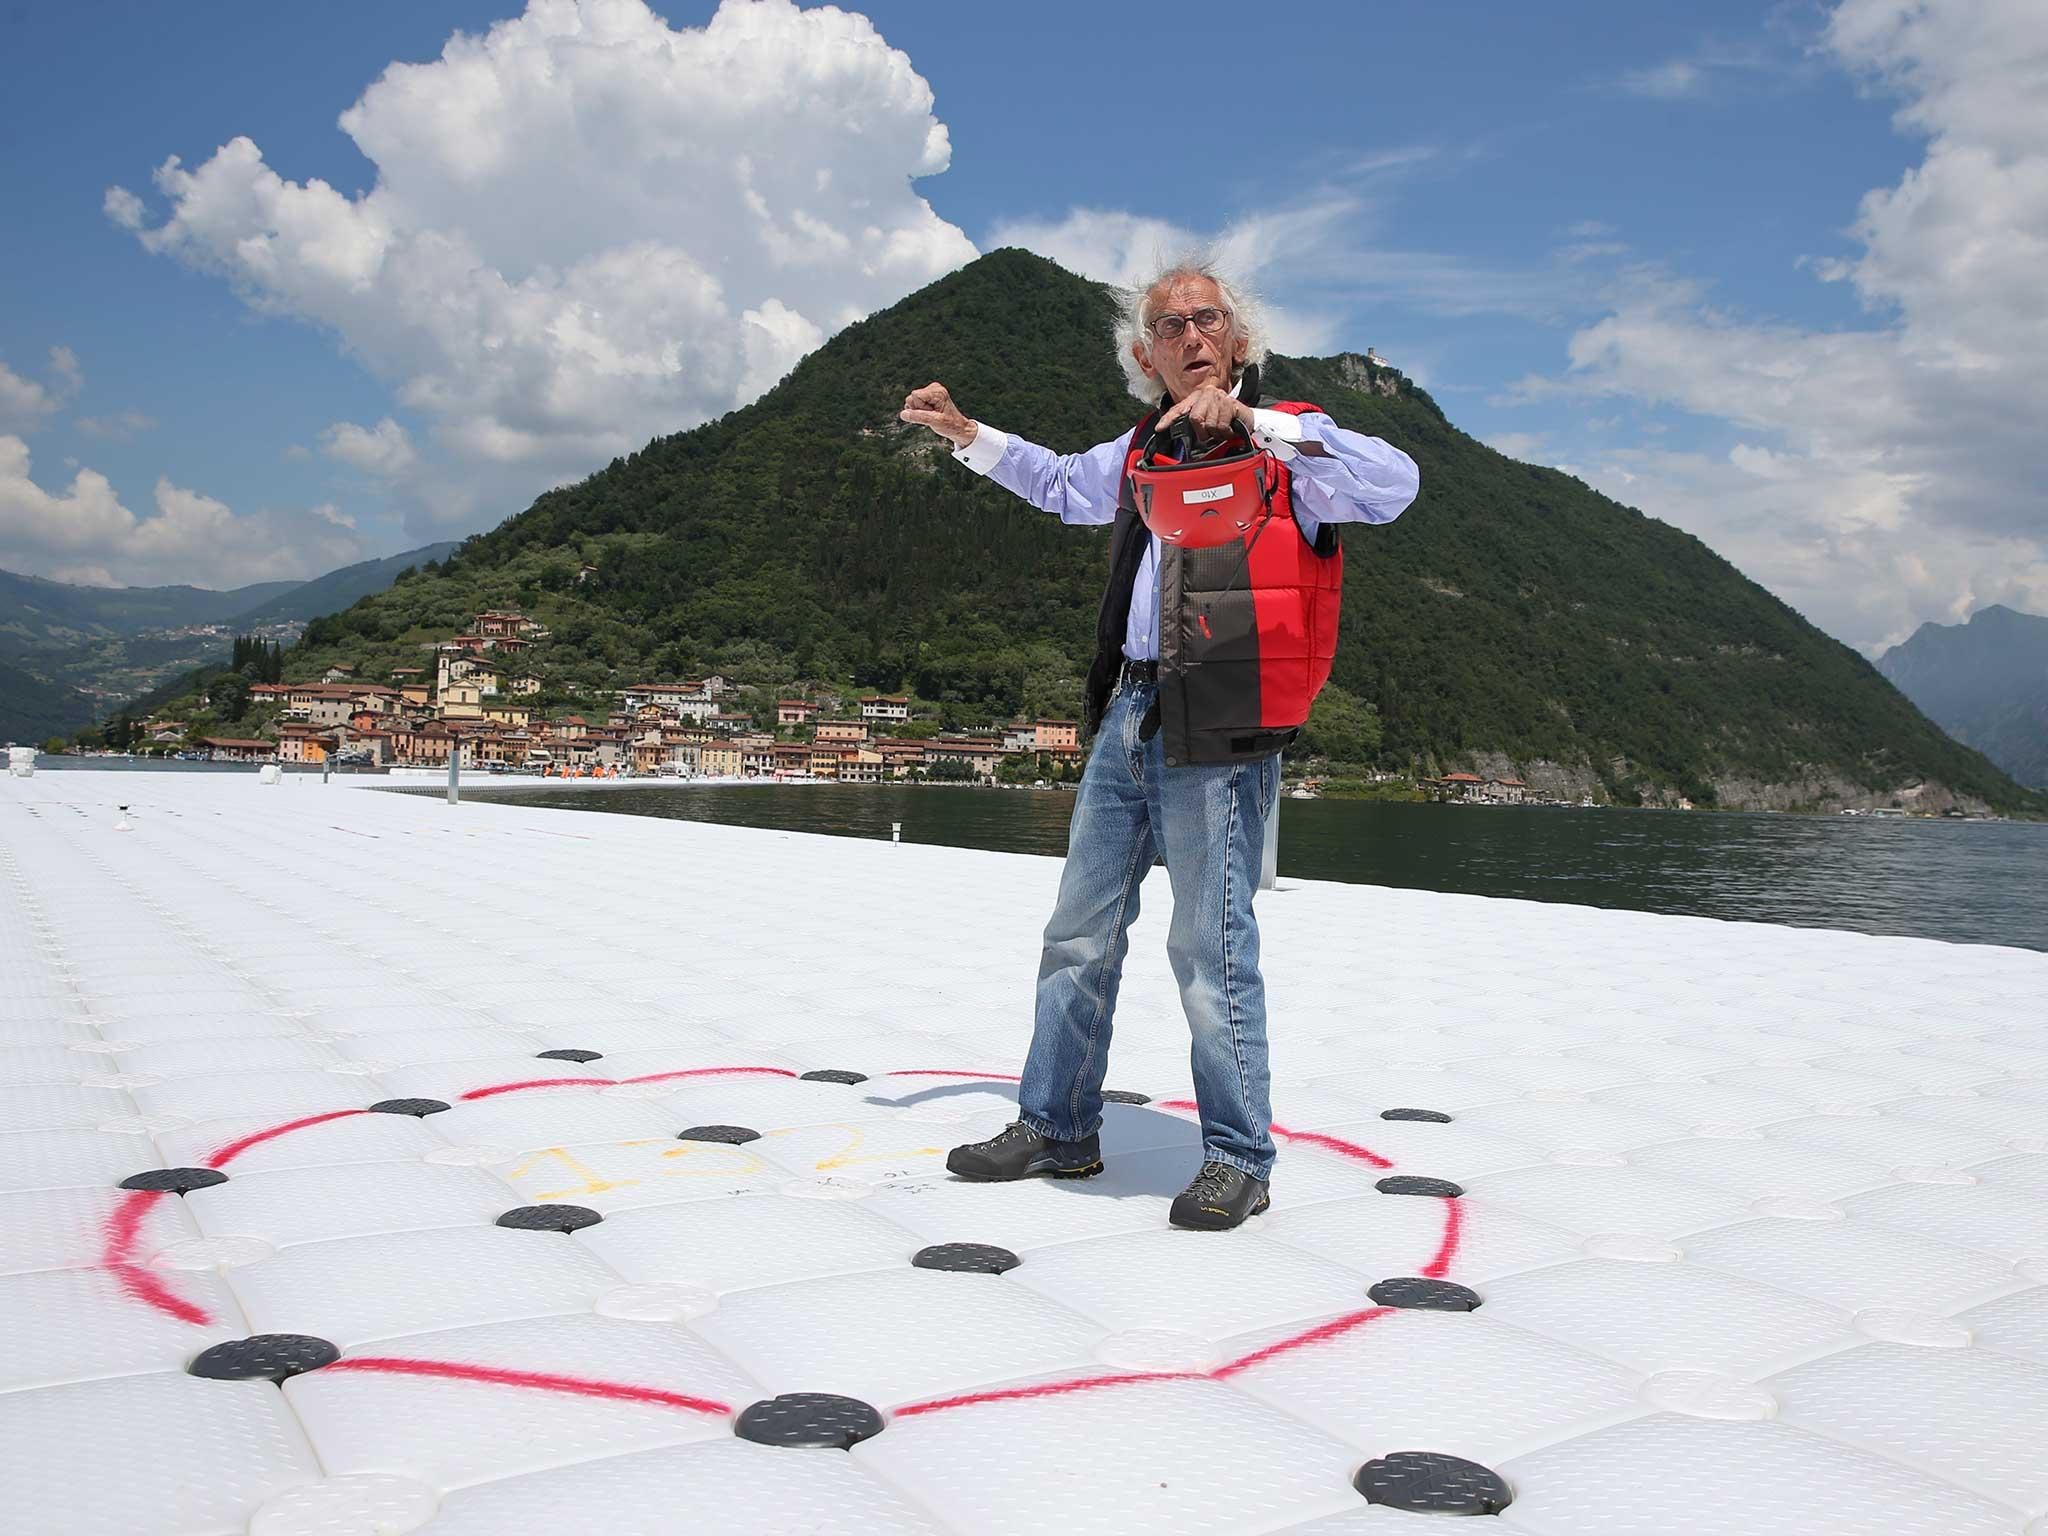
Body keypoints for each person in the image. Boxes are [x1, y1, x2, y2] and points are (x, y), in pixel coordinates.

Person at [900, 256, 1419, 1230]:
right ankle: (1055, 1127)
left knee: (1208, 943)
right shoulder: (1141, 449)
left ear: (1236, 341)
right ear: (1146, 356)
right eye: (1170, 326)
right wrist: (966, 436)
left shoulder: (1287, 452)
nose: (1190, 337)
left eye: (1207, 320)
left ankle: (1236, 1157)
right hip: (1128, 715)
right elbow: (1059, 486)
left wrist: (1263, 425)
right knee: (1076, 933)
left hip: (1222, 717)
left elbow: (1395, 487)